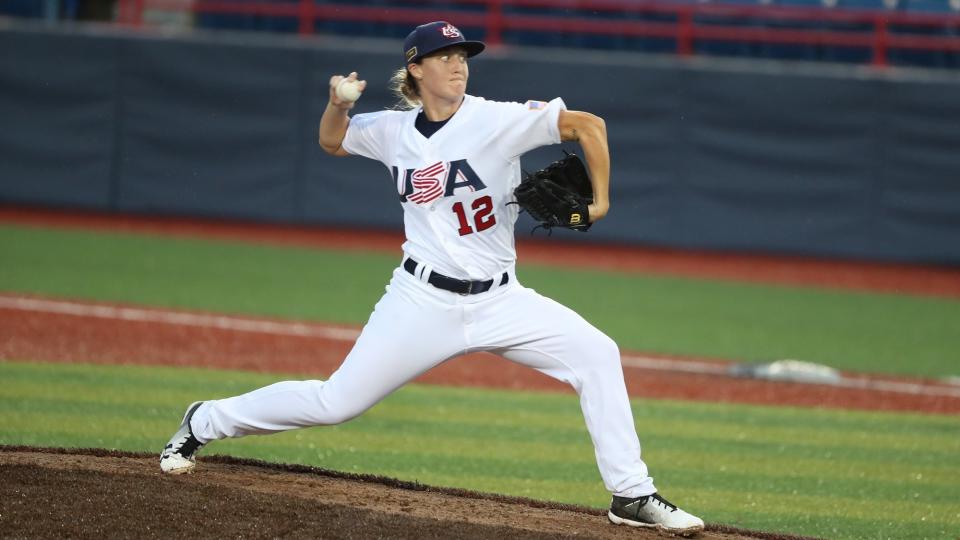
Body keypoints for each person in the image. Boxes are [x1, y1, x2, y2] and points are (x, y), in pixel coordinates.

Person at [160, 20, 704, 536]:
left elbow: (589, 125)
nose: (458, 65)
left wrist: (602, 203)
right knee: (336, 402)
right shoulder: (391, 130)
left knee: (597, 353)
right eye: (444, 57)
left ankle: (631, 495)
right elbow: (332, 141)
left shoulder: (496, 119)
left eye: (462, 56)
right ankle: (204, 420)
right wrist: (335, 105)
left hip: (501, 300)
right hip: (420, 299)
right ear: (416, 69)